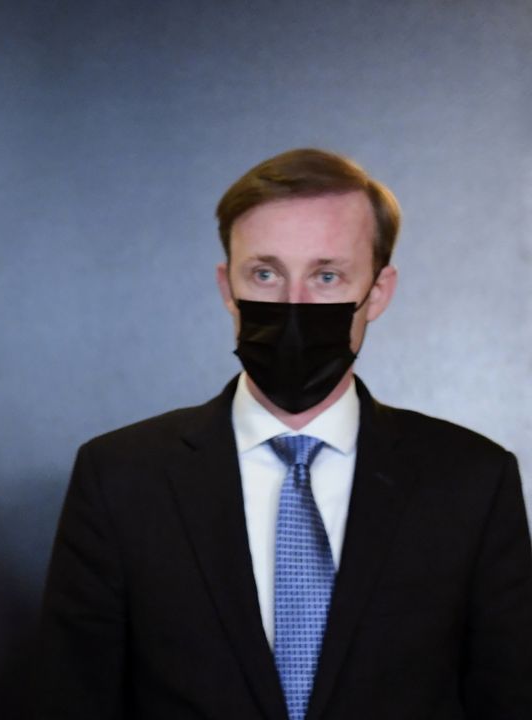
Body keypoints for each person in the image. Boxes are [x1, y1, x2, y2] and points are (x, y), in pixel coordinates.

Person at [37, 148, 532, 719]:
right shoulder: (120, 476)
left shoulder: (472, 478)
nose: (294, 304)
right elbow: (71, 699)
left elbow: (509, 698)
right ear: (227, 286)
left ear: (378, 291)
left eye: (327, 276)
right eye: (265, 274)